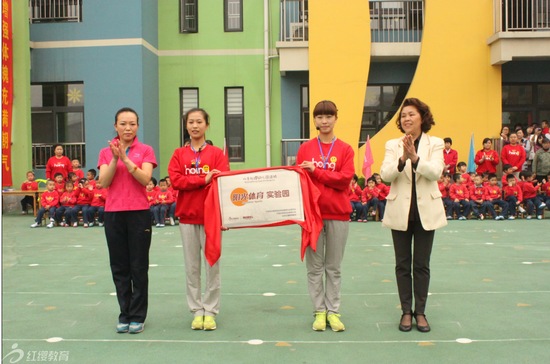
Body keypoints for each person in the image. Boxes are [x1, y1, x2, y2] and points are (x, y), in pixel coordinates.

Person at [380, 97, 447, 333]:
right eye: (403, 115)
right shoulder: (393, 145)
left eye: (411, 114)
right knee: (402, 265)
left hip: (426, 211)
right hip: (401, 211)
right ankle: (406, 312)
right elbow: (386, 175)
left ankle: (421, 312)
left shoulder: (435, 143)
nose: (406, 119)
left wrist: (416, 158)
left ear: (422, 117)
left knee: (421, 265)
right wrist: (402, 159)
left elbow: (436, 172)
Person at [168, 108, 229, 331]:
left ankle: (210, 310)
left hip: (212, 217)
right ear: (186, 126)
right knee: (191, 267)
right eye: (191, 122)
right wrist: (203, 179)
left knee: (212, 264)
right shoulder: (178, 154)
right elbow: (175, 181)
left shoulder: (217, 154)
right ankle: (196, 310)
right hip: (187, 216)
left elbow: (222, 182)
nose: (195, 126)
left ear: (207, 125)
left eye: (199, 122)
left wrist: (199, 180)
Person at [296, 100, 355, 332]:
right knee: (314, 267)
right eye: (319, 117)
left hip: (338, 214)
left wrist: (317, 171)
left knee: (334, 267)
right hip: (313, 216)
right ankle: (319, 311)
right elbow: (299, 181)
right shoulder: (305, 149)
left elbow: (344, 179)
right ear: (314, 121)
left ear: (336, 118)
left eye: (329, 116)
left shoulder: (346, 149)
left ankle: (334, 311)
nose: (324, 121)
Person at [98, 107, 157, 334]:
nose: (128, 128)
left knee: (138, 267)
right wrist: (115, 159)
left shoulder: (146, 150)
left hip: (139, 213)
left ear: (137, 127)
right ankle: (125, 313)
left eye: (132, 124)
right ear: (115, 126)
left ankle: (138, 316)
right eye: (123, 124)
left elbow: (145, 178)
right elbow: (103, 181)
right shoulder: (106, 152)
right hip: (113, 214)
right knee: (120, 267)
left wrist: (126, 158)